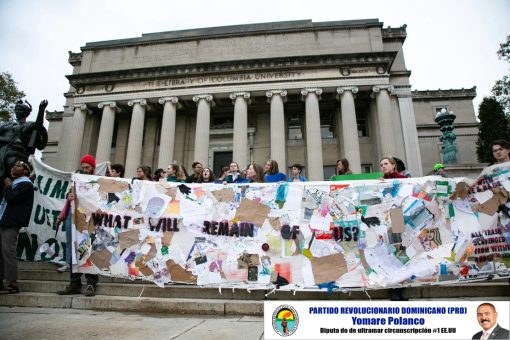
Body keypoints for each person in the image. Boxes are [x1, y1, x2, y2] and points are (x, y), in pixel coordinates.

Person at [57, 154, 99, 297]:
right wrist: (62, 215)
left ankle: (91, 283)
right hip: (73, 217)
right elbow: (69, 201)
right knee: (73, 249)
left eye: (87, 167)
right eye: (83, 168)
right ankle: (74, 282)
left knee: (89, 250)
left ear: (93, 167)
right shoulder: (76, 181)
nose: (84, 170)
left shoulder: (97, 182)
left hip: (89, 219)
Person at [0, 161, 34, 294]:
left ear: (26, 171)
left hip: (12, 223)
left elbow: (11, 198)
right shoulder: (15, 183)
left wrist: (8, 186)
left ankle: (12, 283)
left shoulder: (26, 184)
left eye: (18, 166)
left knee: (8, 252)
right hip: (4, 221)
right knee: (2, 253)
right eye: (13, 165)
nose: (14, 167)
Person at [0, 99, 48, 191]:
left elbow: (38, 126)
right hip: (5, 150)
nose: (17, 112)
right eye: (16, 109)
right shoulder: (7, 125)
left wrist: (41, 110)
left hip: (18, 153)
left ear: (26, 113)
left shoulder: (28, 125)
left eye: (20, 110)